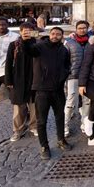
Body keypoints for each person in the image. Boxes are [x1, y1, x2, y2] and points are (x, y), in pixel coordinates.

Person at [26, 27, 71, 160]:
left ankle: (61, 139)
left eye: (58, 34)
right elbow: (29, 51)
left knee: (60, 117)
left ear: (62, 36)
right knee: (42, 121)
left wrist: (63, 76)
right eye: (53, 33)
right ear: (49, 34)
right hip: (42, 90)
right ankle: (44, 146)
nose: (55, 36)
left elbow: (67, 65)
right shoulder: (40, 46)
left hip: (58, 90)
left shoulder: (63, 50)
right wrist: (26, 41)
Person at [5, 22, 37, 142]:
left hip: (34, 78)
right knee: (19, 107)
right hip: (18, 79)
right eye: (24, 30)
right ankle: (18, 130)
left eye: (29, 30)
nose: (26, 32)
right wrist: (9, 80)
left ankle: (34, 126)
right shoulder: (14, 45)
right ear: (20, 32)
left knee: (35, 106)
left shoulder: (37, 44)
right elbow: (8, 63)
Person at [63, 20, 91, 137]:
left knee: (87, 100)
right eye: (80, 28)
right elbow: (64, 59)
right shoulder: (69, 42)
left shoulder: (92, 40)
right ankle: (65, 124)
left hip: (88, 76)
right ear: (76, 29)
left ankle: (84, 122)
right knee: (71, 100)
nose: (82, 30)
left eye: (84, 28)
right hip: (73, 75)